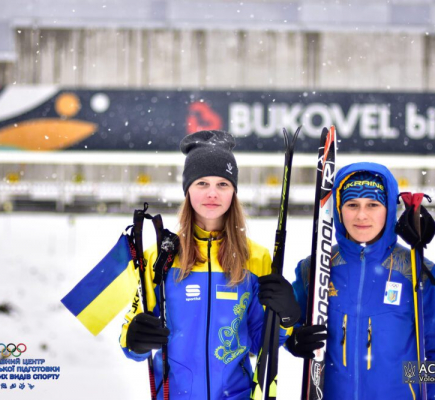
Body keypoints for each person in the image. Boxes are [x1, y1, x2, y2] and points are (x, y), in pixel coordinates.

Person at [119, 130, 301, 400]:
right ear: (187, 190)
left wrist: (285, 319)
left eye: (223, 184)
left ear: (233, 192)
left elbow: (262, 341)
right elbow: (131, 341)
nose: (212, 193)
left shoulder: (257, 258)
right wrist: (134, 339)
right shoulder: (160, 257)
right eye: (201, 183)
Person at [286, 162, 435, 399]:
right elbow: (286, 325)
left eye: (373, 205)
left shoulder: (418, 272)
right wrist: (293, 339)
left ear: (388, 209)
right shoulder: (315, 268)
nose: (361, 215)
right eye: (352, 204)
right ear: (338, 209)